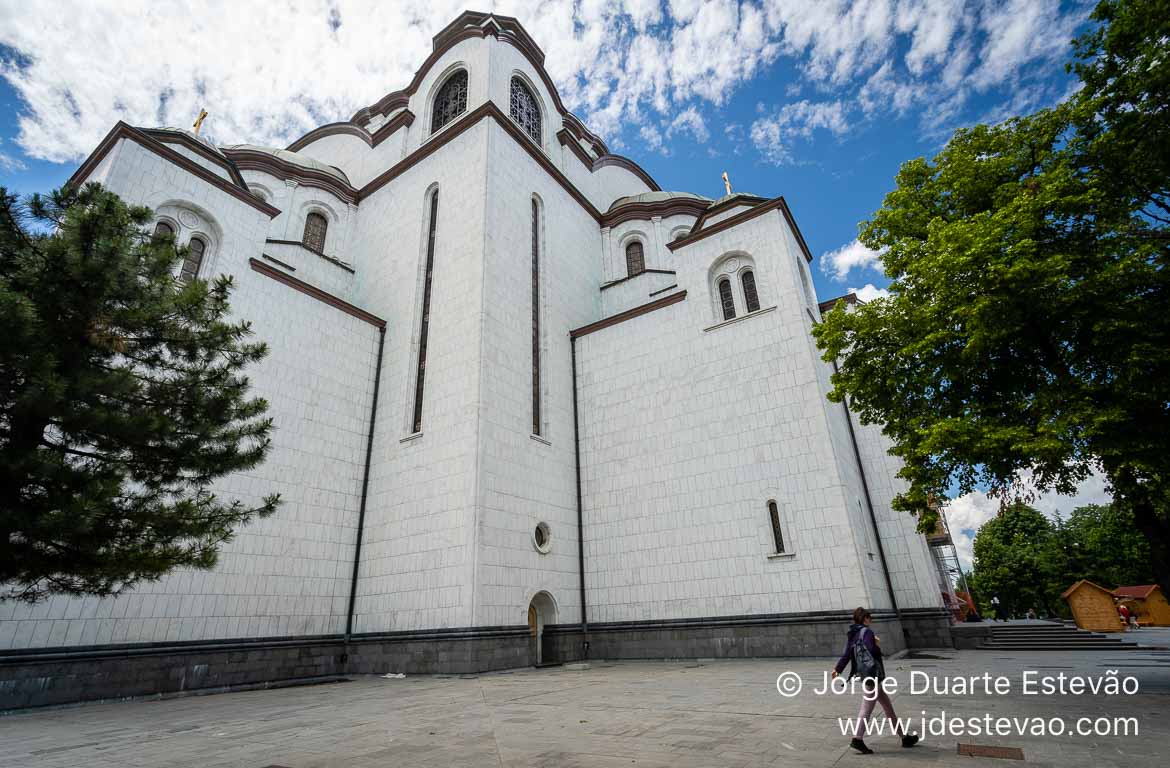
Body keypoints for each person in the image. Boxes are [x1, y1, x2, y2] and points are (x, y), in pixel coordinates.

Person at [832, 607, 920, 754]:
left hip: (868, 676)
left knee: (888, 708)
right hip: (872, 677)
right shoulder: (867, 632)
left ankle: (904, 737)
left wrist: (838, 669)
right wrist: (877, 644)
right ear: (864, 618)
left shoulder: (853, 633)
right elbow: (871, 651)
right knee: (866, 709)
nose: (870, 620)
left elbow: (847, 653)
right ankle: (857, 739)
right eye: (869, 617)